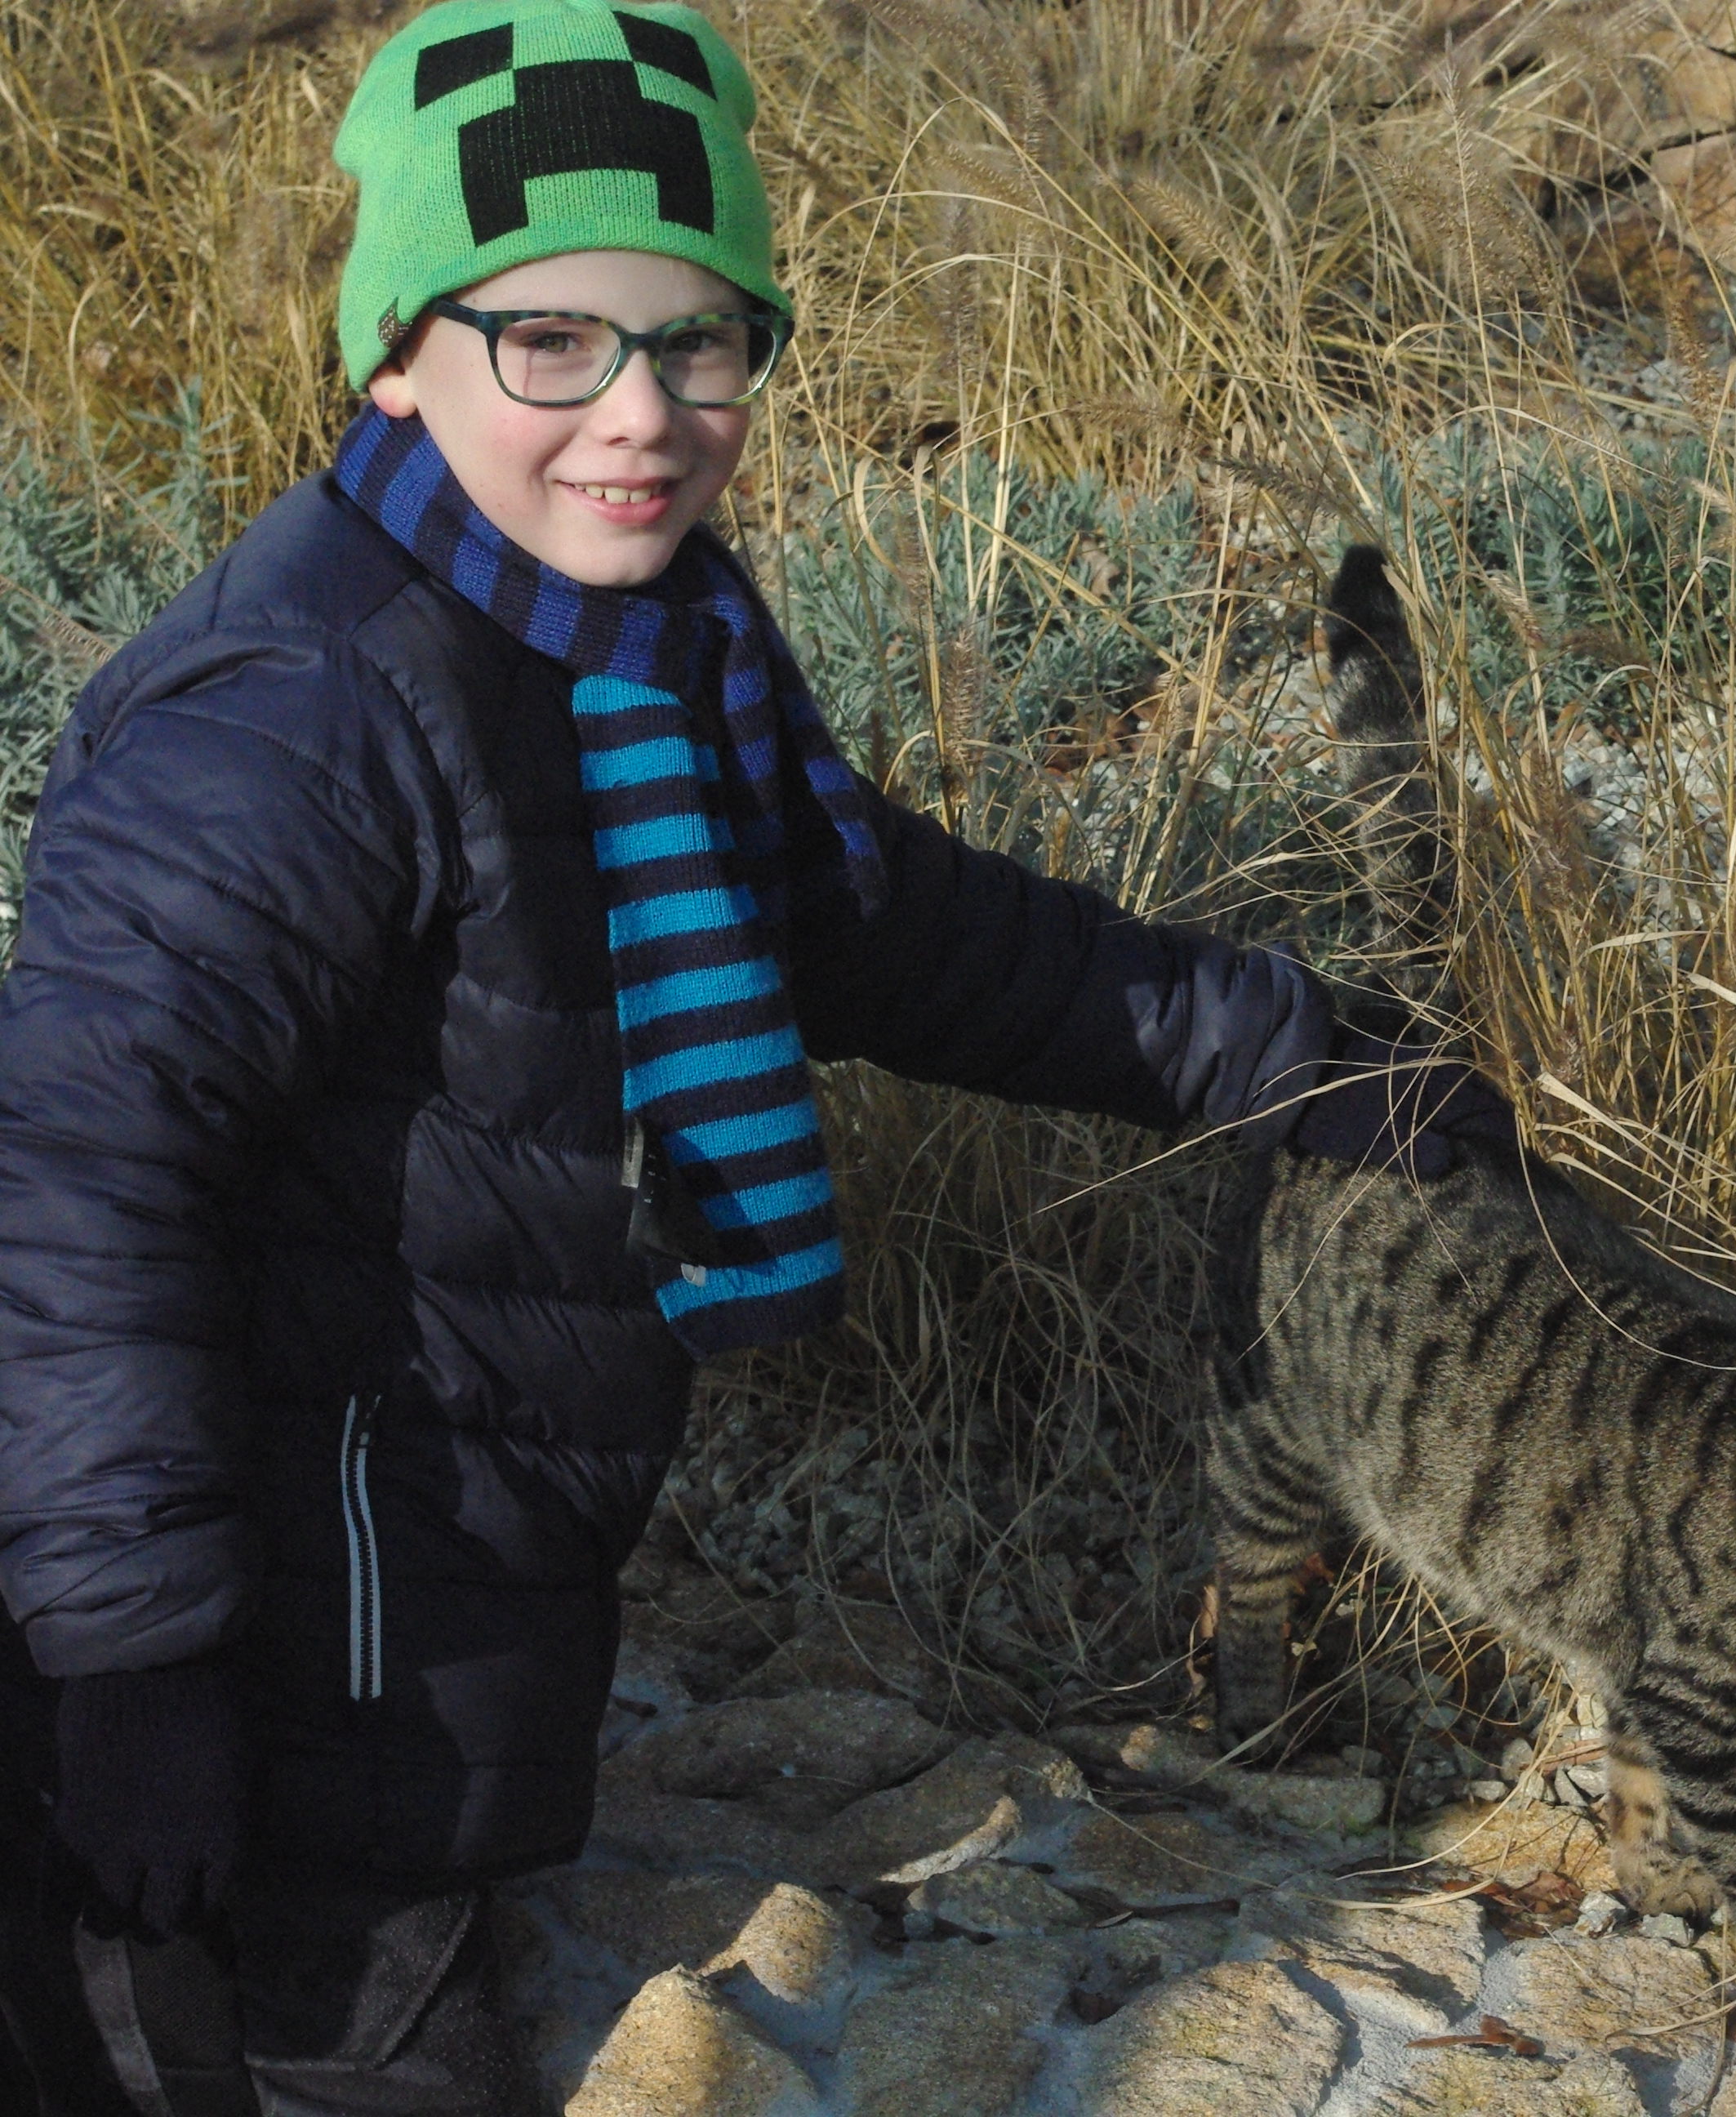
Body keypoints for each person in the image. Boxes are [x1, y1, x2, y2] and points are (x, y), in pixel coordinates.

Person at [0, 3, 1490, 2110]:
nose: (639, 414)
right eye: (549, 341)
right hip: (285, 1587)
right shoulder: (300, 703)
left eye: (699, 341)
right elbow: (79, 1169)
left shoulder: (647, 642)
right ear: (397, 358)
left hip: (444, 1548)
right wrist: (130, 1655)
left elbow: (875, 926)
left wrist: (1298, 1053)